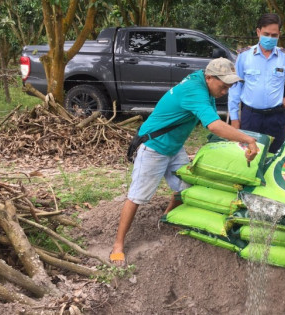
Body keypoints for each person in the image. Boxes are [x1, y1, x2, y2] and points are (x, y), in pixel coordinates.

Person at [110, 58, 259, 266]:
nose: (225, 92)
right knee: (137, 196)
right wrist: (247, 139)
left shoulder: (205, 86)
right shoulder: (194, 90)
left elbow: (212, 121)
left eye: (229, 87)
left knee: (186, 187)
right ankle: (118, 245)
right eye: (223, 86)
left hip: (174, 146)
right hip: (154, 147)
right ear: (209, 78)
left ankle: (168, 218)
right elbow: (214, 126)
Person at [228, 13, 285, 153]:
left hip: (275, 117)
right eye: (266, 34)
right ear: (258, 32)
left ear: (279, 35)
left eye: (274, 35)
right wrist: (234, 118)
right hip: (250, 117)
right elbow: (235, 87)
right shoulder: (244, 56)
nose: (270, 38)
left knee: (274, 155)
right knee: (247, 155)